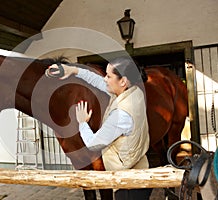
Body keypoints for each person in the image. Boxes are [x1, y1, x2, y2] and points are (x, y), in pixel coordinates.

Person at [47, 56, 152, 200]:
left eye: (108, 76)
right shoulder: (133, 92)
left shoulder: (121, 115)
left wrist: (82, 122)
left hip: (126, 182)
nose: (105, 79)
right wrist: (73, 70)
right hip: (139, 169)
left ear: (122, 81)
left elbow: (93, 143)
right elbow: (97, 81)